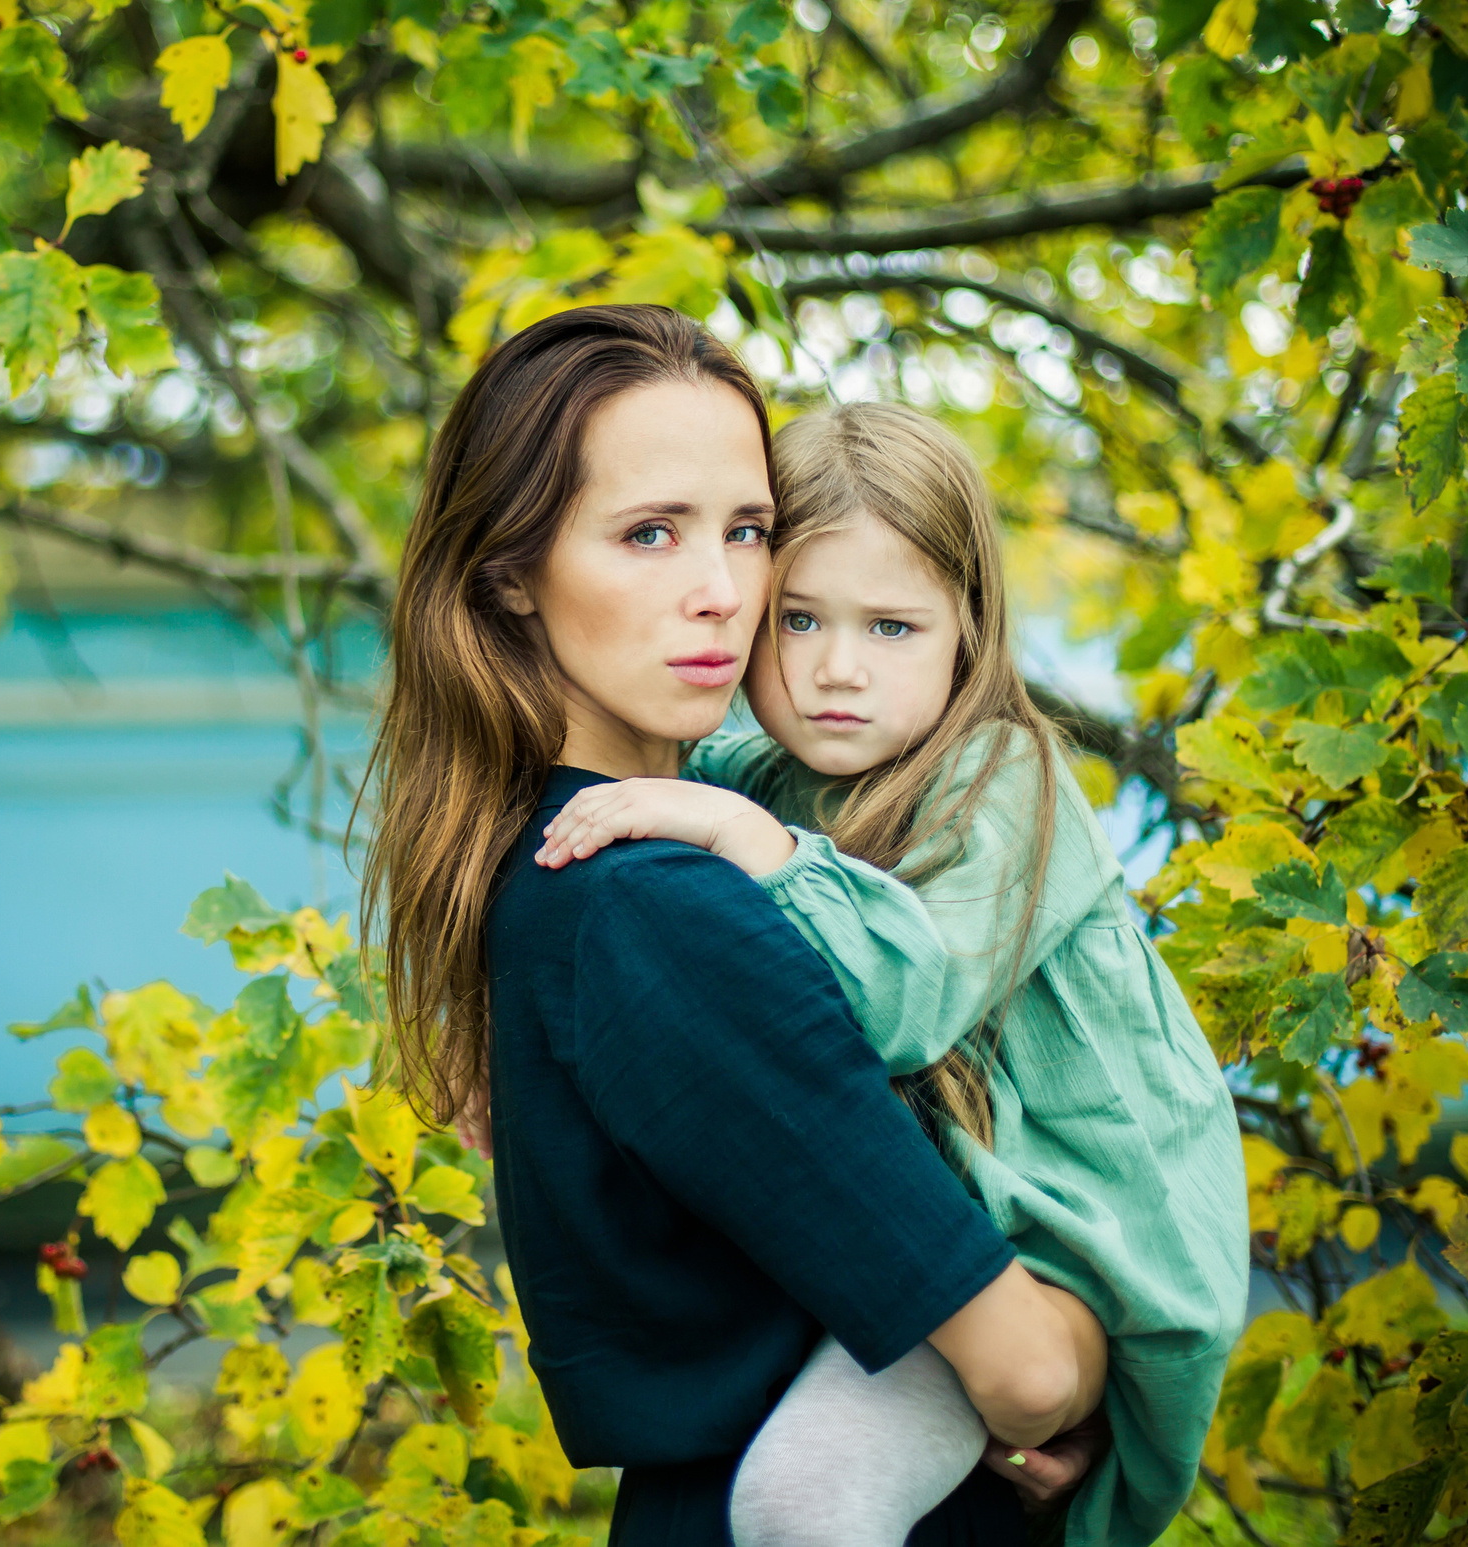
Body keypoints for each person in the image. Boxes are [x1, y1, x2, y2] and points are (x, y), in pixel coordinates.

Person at [363, 307, 1103, 1547]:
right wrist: (1093, 1354)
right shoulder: (654, 907)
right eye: (649, 534)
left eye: (748, 532)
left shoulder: (579, 868)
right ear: (507, 574)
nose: (722, 595)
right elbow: (1023, 1371)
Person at [531, 401, 1250, 1547]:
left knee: (802, 1501)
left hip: (1080, 1255)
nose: (836, 671)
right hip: (959, 1246)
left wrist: (739, 834)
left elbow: (903, 1006)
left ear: (969, 629)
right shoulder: (761, 772)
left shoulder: (1006, 781)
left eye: (893, 628)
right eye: (800, 620)